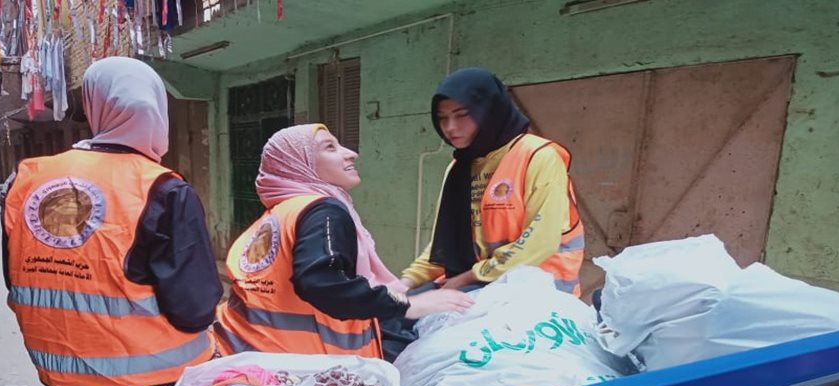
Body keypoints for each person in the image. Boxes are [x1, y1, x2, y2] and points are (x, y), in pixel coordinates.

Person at [2, 56, 222, 386]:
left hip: (59, 367)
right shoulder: (162, 188)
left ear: (94, 106)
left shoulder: (28, 176)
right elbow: (194, 309)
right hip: (155, 378)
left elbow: (14, 275)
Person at [213, 124, 474, 358]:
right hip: (300, 367)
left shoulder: (279, 214)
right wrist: (406, 305)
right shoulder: (323, 210)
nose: (350, 153)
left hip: (245, 353)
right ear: (298, 162)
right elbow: (322, 282)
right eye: (330, 147)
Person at [393, 67, 585, 296]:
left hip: (537, 289)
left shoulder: (538, 156)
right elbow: (444, 245)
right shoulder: (459, 168)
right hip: (481, 283)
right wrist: (404, 283)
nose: (450, 128)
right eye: (442, 118)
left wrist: (468, 277)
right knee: (392, 314)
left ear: (489, 111)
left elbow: (539, 243)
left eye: (462, 115)